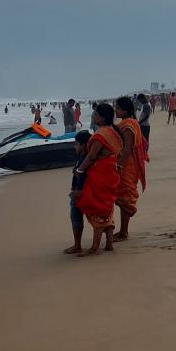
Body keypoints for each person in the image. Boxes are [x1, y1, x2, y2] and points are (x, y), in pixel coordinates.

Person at [74, 104, 122, 256]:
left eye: (95, 115)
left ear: (101, 117)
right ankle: (108, 244)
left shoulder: (101, 134)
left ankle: (95, 247)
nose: (93, 117)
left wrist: (80, 170)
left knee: (96, 208)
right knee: (107, 208)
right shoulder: (114, 132)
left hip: (101, 175)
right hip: (111, 173)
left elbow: (92, 156)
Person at [113, 96, 149, 242]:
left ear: (125, 110)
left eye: (118, 108)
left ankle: (124, 232)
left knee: (125, 196)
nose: (116, 110)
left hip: (128, 165)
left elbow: (127, 148)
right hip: (128, 164)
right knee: (122, 195)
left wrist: (119, 166)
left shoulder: (128, 125)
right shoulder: (129, 123)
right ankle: (123, 230)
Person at [63, 131, 92, 255]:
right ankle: (77, 244)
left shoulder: (87, 158)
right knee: (77, 218)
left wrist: (78, 190)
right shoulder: (83, 157)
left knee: (77, 217)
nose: (75, 147)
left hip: (81, 192)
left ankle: (78, 245)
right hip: (77, 191)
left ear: (84, 145)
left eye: (77, 144)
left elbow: (84, 175)